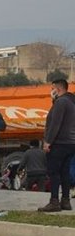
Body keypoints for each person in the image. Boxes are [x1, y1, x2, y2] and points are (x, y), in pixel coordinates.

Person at [38, 79, 75, 212]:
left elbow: (55, 124)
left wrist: (48, 141)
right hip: (71, 143)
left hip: (59, 143)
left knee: (54, 172)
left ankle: (54, 201)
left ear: (58, 89)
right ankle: (66, 201)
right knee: (64, 172)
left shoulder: (61, 102)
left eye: (52, 88)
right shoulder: (71, 101)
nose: (50, 91)